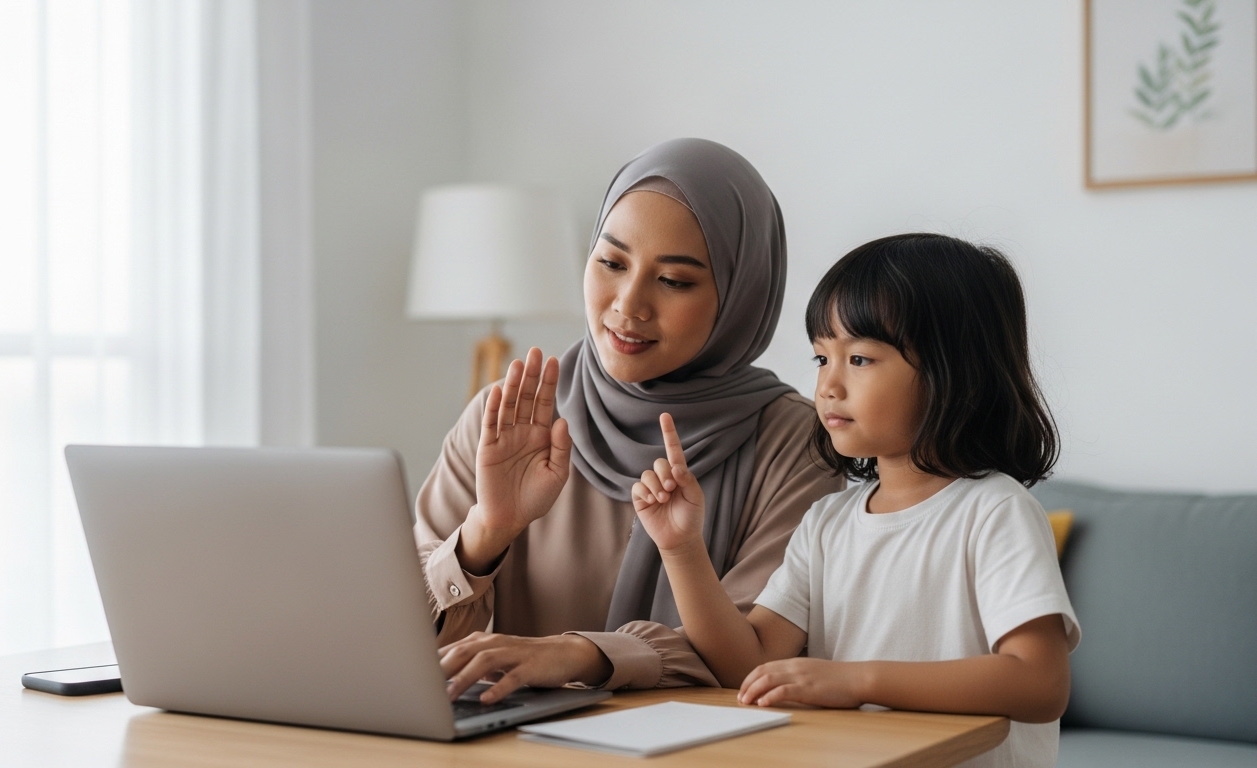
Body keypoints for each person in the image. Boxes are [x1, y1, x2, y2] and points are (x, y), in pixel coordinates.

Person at [421, 138, 844, 704]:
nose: (628, 305)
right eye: (611, 263)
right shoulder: (510, 419)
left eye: (674, 281)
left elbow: (757, 660)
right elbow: (400, 635)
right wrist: (485, 533)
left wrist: (586, 655)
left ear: (741, 295)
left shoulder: (795, 444)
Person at [631, 233, 1079, 768]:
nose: (828, 385)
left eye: (860, 358)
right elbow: (746, 663)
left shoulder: (995, 513)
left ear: (954, 373)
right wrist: (682, 549)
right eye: (823, 357)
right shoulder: (827, 522)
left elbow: (1039, 681)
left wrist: (857, 679)